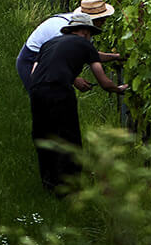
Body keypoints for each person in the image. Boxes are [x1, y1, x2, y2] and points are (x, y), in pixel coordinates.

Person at [29, 11, 127, 193]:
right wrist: (118, 89)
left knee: (43, 134)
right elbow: (102, 79)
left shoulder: (49, 44)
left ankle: (49, 185)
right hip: (59, 90)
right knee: (68, 137)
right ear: (85, 32)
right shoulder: (84, 44)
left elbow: (35, 71)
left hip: (36, 90)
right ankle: (70, 187)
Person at [15, 0, 119, 92]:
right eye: (101, 20)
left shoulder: (82, 28)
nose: (104, 22)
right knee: (45, 98)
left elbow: (90, 54)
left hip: (47, 62)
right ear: (92, 19)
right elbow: (55, 60)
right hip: (31, 60)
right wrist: (74, 80)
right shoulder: (66, 31)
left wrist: (115, 57)